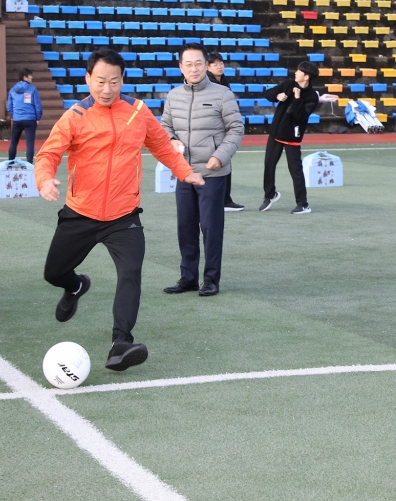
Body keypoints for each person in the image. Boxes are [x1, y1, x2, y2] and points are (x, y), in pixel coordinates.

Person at [35, 49, 203, 371]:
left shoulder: (138, 111)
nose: (107, 89)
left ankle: (120, 343)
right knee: (53, 273)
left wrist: (184, 172)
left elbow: (162, 145)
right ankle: (75, 286)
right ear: (88, 79)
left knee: (130, 273)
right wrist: (44, 180)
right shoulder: (75, 116)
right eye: (100, 81)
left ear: (122, 80)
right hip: (81, 212)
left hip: (124, 215)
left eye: (114, 81)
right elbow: (48, 154)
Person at [160, 45, 244, 297]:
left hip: (212, 173)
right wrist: (171, 140)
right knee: (185, 227)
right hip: (184, 173)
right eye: (188, 64)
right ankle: (188, 278)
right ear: (180, 67)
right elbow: (164, 126)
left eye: (199, 63)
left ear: (206, 65)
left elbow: (236, 128)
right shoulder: (174, 96)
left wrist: (220, 156)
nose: (194, 68)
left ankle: (211, 279)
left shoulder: (222, 93)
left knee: (211, 228)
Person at [260, 62, 320, 214]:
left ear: (306, 77)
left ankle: (303, 204)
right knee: (269, 165)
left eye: (299, 71)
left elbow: (301, 117)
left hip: (292, 136)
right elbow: (268, 93)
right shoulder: (288, 84)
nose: (296, 73)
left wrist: (298, 98)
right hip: (276, 133)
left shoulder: (312, 96)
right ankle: (270, 195)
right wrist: (277, 96)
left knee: (295, 170)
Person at [207, 52, 244, 212]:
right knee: (215, 164)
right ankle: (219, 201)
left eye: (221, 63)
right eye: (215, 64)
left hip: (223, 128)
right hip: (212, 129)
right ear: (208, 67)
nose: (219, 66)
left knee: (225, 162)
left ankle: (225, 200)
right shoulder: (208, 83)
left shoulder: (224, 82)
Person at [7, 67, 42, 164]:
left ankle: (10, 162)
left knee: (14, 142)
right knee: (30, 143)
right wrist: (38, 117)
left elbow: (9, 106)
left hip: (17, 119)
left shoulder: (13, 89)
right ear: (25, 77)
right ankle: (29, 164)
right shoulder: (32, 89)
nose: (32, 78)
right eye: (30, 76)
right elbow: (37, 105)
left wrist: (13, 115)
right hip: (30, 119)